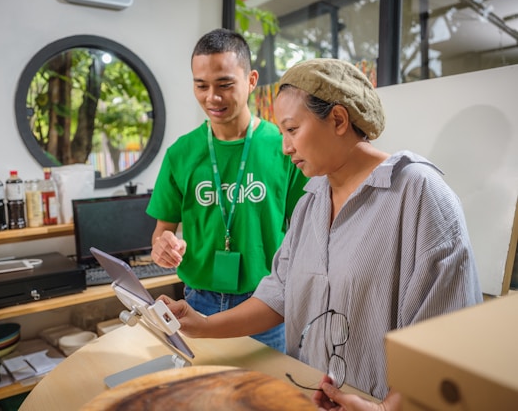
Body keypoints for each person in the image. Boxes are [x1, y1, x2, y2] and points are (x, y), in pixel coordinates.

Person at [157, 58, 483, 410]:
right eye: (282, 133)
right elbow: (277, 295)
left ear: (339, 120)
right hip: (310, 396)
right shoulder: (311, 202)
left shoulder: (418, 192)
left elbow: (445, 335)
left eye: (292, 130)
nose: (285, 147)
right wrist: (201, 324)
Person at [146, 28, 308, 353]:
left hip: (265, 305)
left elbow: (305, 232)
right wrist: (162, 247)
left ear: (251, 80)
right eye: (201, 85)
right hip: (196, 301)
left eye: (224, 84)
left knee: (266, 398)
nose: (212, 97)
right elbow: (161, 231)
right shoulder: (181, 153)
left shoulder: (285, 148)